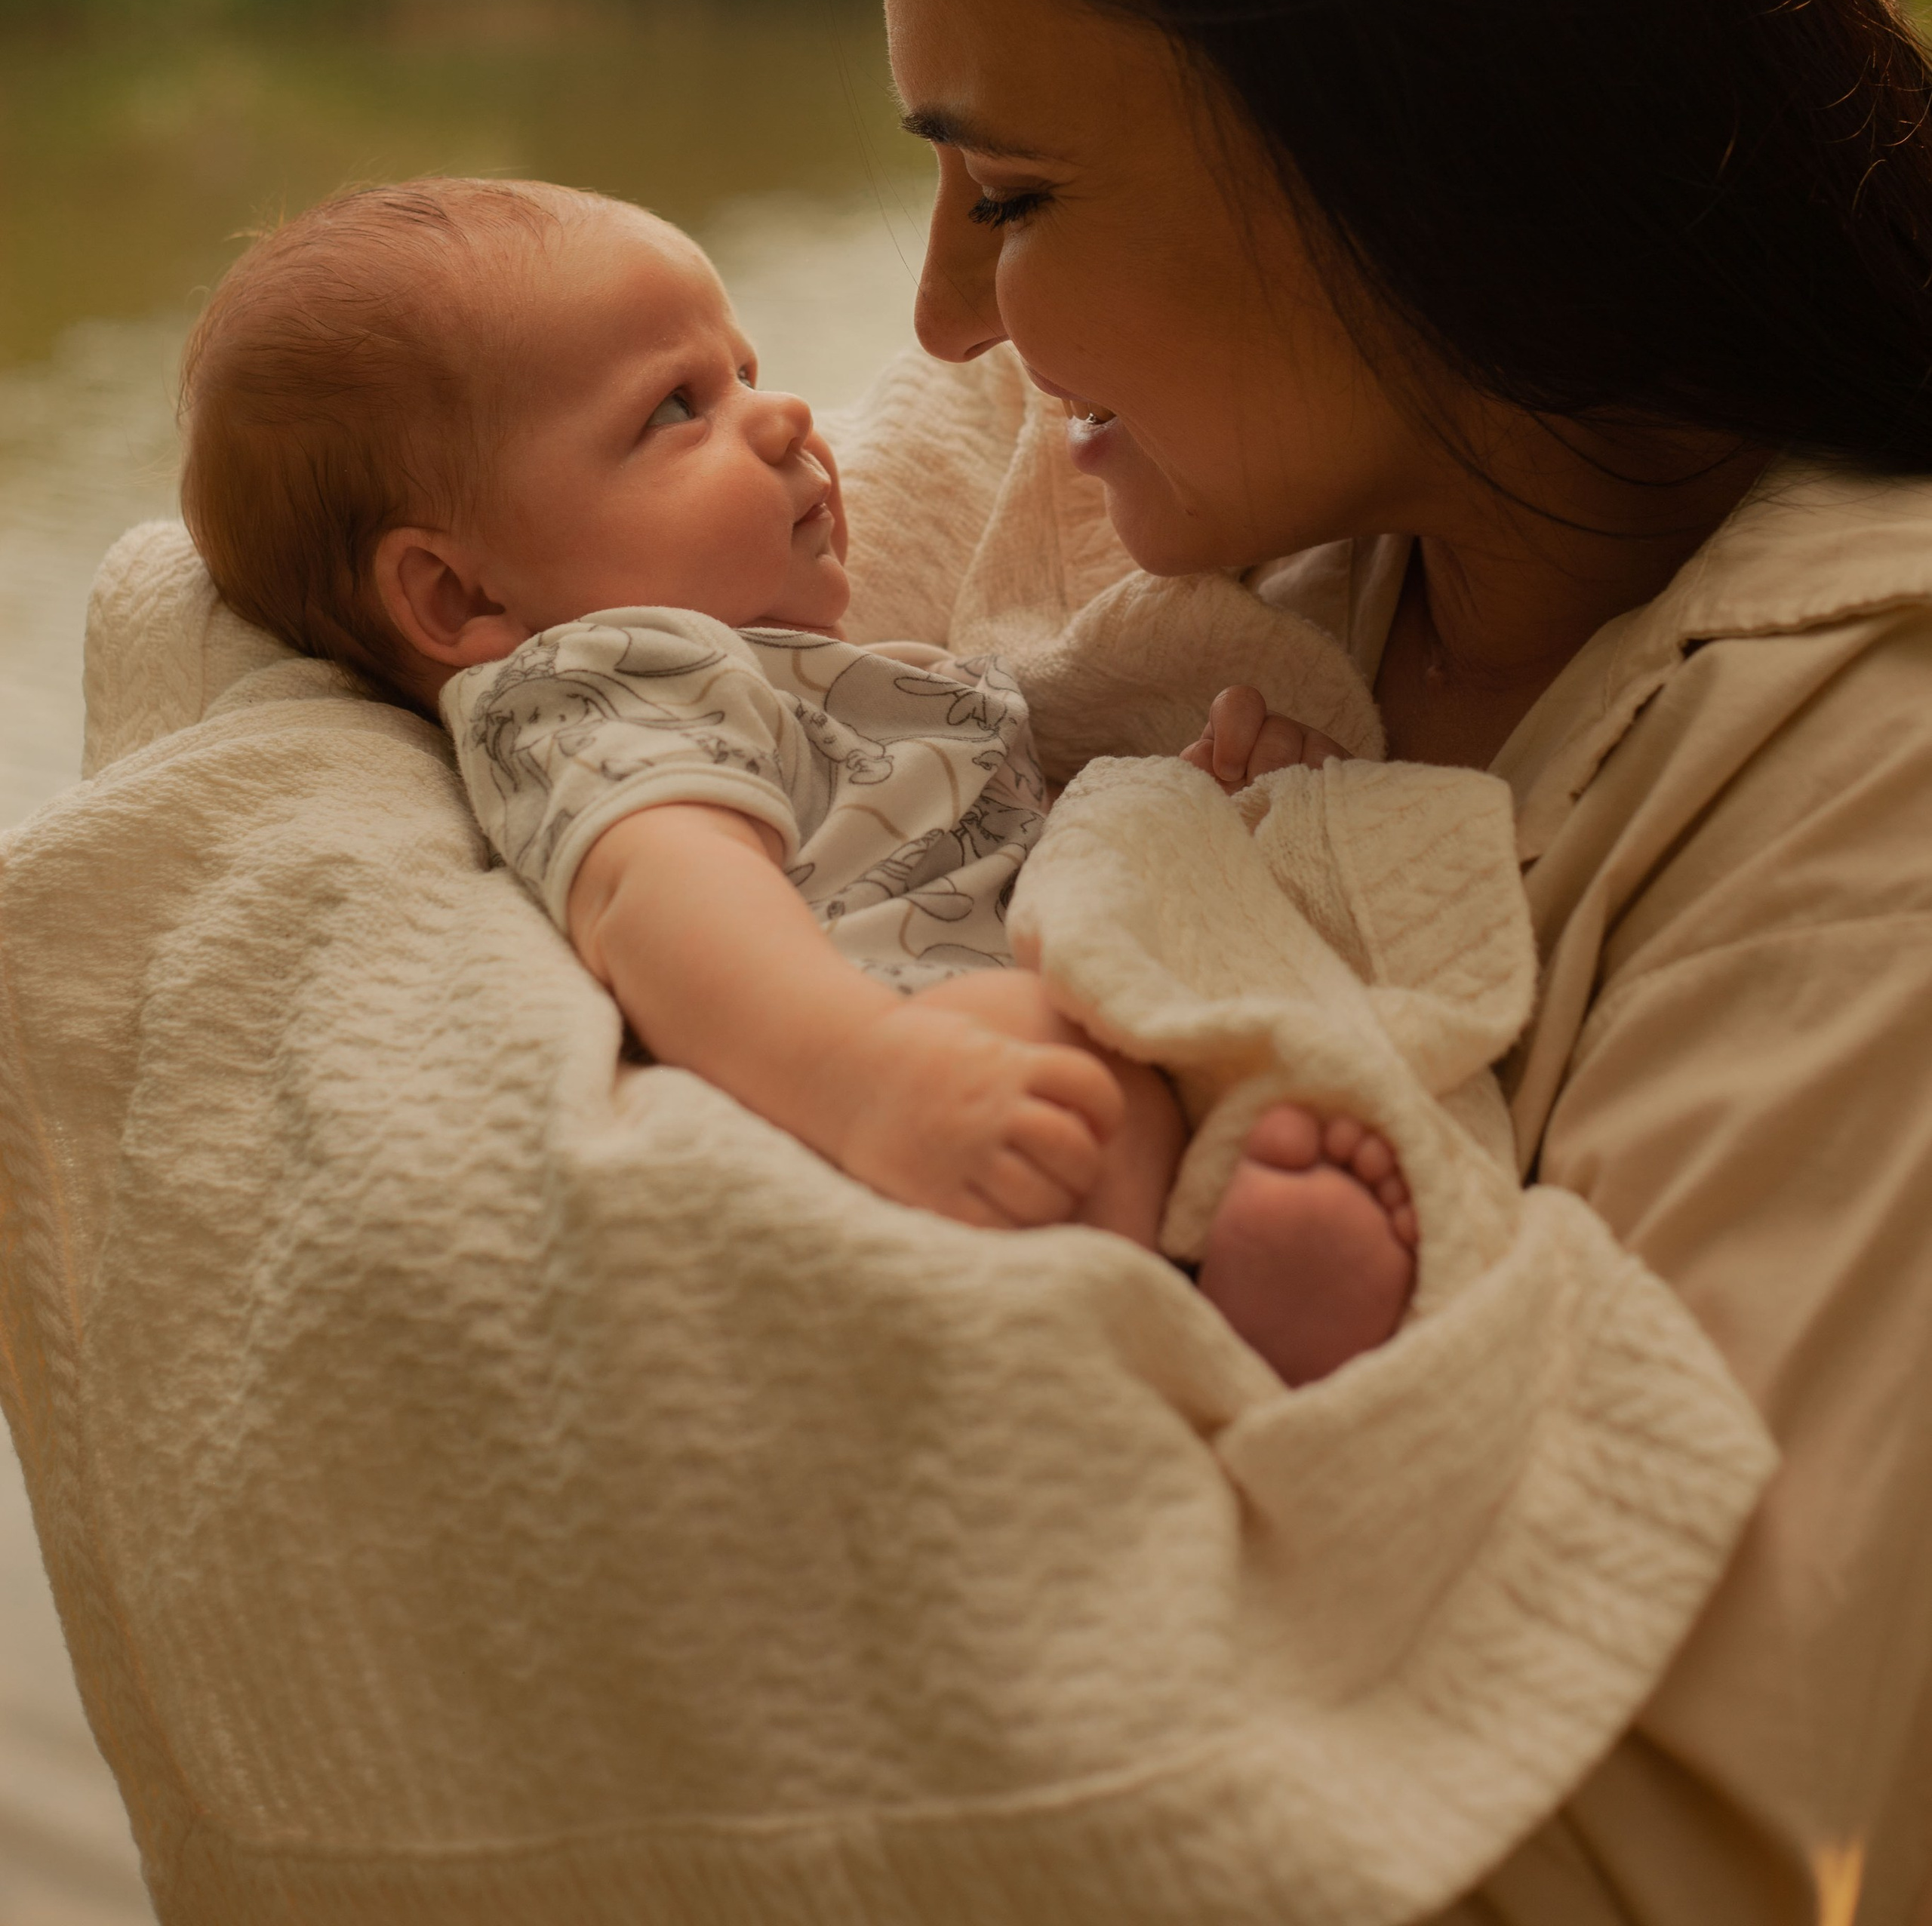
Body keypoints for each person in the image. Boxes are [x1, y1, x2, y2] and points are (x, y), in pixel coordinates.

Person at [828, 0, 1932, 1919]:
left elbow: (1646, 1849)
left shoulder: (1874, 785)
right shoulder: (1222, 525)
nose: (938, 323)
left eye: (1009, 195)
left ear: (1406, 131)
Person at [174, 174, 1423, 1389]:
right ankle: (1198, 1320)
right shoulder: (602, 682)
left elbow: (1001, 845)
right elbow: (667, 900)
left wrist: (1195, 811)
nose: (780, 420)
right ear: (464, 597)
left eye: (747, 375)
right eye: (675, 411)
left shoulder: (797, 672)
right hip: (861, 1070)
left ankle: (1202, 1293)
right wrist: (868, 1076)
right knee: (1055, 1050)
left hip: (963, 1058)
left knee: (1122, 1014)